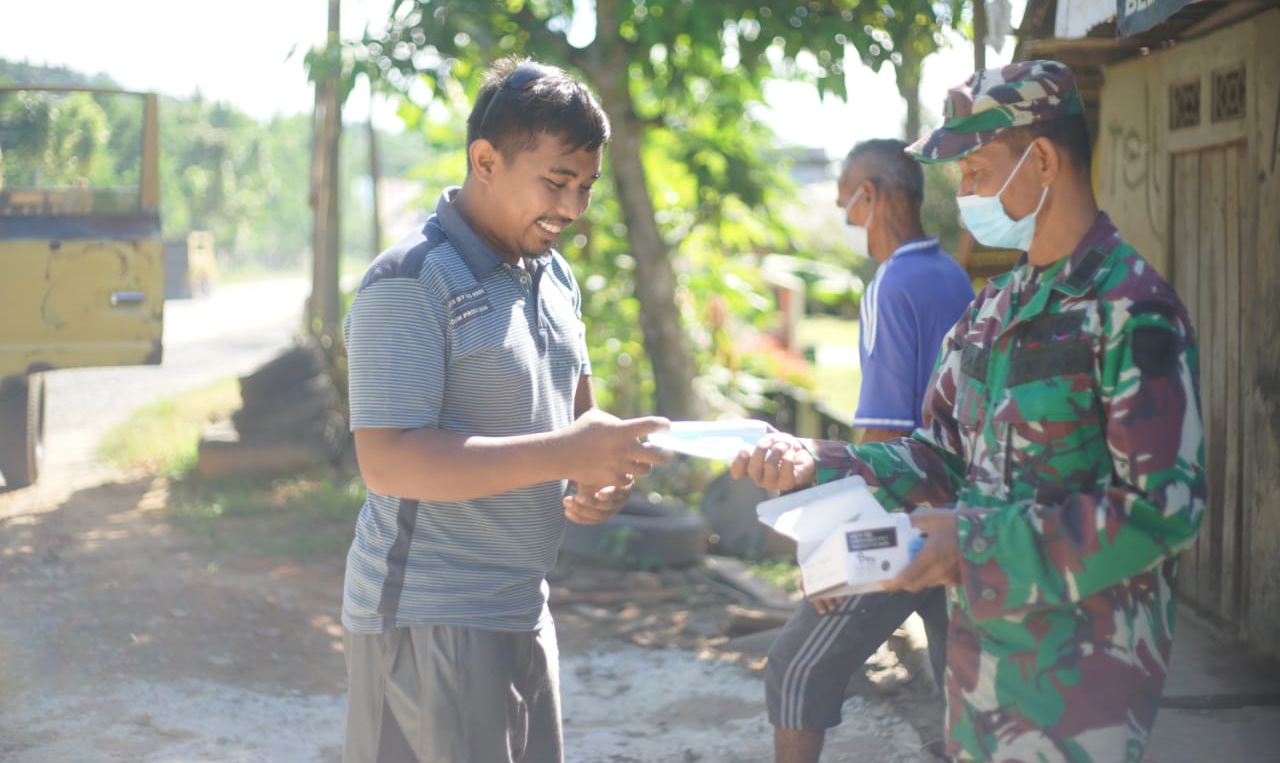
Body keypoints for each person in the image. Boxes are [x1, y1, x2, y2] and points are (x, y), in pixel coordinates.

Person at [732, 60, 1205, 762]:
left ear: (1042, 160)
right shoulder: (993, 310)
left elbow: (1163, 509)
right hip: (979, 675)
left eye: (977, 170)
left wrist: (973, 544)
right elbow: (938, 457)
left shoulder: (1131, 309)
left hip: (1079, 687)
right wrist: (818, 461)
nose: (966, 191)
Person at [340, 57, 669, 763]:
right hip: (431, 616)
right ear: (484, 160)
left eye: (585, 186)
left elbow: (577, 420)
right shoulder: (411, 281)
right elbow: (388, 459)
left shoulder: (553, 274)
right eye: (555, 181)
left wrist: (599, 474)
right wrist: (566, 455)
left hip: (522, 605)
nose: (574, 207)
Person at [765, 139, 973, 763]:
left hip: (904, 515)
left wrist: (833, 545)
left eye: (846, 204)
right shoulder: (952, 276)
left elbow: (883, 434)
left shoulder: (892, 284)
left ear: (873, 196)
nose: (847, 218)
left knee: (794, 672)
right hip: (963, 517)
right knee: (960, 692)